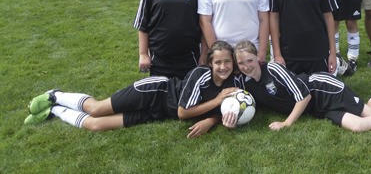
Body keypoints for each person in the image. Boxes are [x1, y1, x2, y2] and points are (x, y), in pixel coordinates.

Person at [24, 41, 239, 138]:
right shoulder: (199, 74)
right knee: (96, 109)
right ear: (210, 64)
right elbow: (183, 113)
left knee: (95, 125)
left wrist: (211, 121)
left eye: (227, 62)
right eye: (218, 62)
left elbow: (221, 111)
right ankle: (55, 95)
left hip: (159, 112)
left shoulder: (231, 85)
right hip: (154, 91)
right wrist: (218, 100)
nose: (223, 67)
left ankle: (53, 110)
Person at [232, 40, 371, 132]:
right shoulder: (243, 81)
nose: (246, 66)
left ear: (258, 58)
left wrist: (286, 123)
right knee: (359, 126)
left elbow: (303, 95)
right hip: (316, 109)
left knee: (369, 115)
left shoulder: (273, 69)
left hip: (324, 90)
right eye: (241, 63)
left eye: (249, 61)